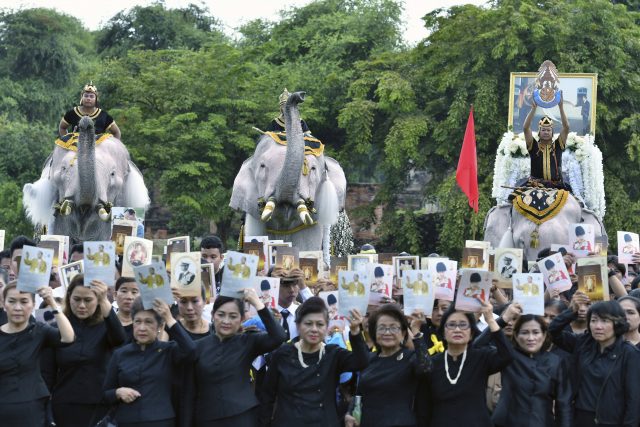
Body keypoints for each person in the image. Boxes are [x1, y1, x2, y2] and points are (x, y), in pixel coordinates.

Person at [260, 297, 370, 426]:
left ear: (327, 327)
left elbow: (361, 361)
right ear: (298, 325)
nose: (314, 329)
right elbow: (267, 397)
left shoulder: (333, 353)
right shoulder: (282, 354)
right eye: (308, 323)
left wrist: (356, 331)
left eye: (320, 324)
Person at [193, 288, 286, 426]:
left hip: (242, 416)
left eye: (233, 316)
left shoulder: (248, 342)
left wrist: (256, 302)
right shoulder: (198, 346)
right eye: (221, 314)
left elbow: (278, 336)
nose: (226, 321)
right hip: (207, 417)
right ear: (212, 315)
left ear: (242, 319)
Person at [47, 275, 127, 427]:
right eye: (77, 299)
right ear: (69, 298)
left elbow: (120, 339)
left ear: (97, 301)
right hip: (64, 406)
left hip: (99, 405)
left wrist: (104, 299)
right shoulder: (58, 329)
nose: (82, 305)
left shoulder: (107, 327)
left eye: (88, 300)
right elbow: (48, 374)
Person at [103, 297, 196, 427]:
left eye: (148, 322)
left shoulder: (169, 350)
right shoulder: (120, 354)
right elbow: (106, 393)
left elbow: (191, 351)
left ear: (160, 326)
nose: (142, 328)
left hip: (161, 421)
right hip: (126, 421)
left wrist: (169, 318)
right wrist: (118, 392)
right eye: (137, 321)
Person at [549, 294, 640, 426]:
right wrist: (571, 311)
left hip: (610, 421)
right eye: (593, 320)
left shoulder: (629, 353)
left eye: (605, 321)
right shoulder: (582, 343)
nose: (598, 326)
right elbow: (551, 331)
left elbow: (634, 400)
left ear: (617, 323)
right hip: (578, 419)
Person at [426, 300, 513, 427]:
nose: (457, 329)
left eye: (463, 325)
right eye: (451, 325)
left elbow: (507, 356)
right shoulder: (433, 362)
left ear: (471, 333)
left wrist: (491, 320)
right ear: (443, 333)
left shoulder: (481, 357)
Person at [0, 283, 74, 427]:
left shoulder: (40, 331)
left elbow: (68, 338)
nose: (17, 308)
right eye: (12, 301)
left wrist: (51, 302)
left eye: (24, 301)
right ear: (4, 304)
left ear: (33, 304)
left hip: (32, 407)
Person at [345, 304, 431, 427]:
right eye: (382, 328)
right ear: (374, 332)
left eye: (393, 328)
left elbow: (426, 368)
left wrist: (416, 331)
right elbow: (360, 393)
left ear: (403, 333)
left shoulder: (410, 358)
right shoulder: (369, 358)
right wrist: (349, 413)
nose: (387, 332)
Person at [479, 314, 571, 427]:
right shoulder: (508, 357)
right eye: (524, 332)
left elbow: (564, 404)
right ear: (516, 336)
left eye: (536, 332)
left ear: (544, 335)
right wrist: (502, 320)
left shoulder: (555, 362)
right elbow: (476, 347)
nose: (530, 338)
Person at [522, 93, 570, 189]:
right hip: (535, 186)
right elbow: (526, 128)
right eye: (543, 130)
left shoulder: (558, 145)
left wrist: (561, 107)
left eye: (548, 130)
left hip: (556, 186)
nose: (546, 132)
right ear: (539, 132)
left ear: (552, 132)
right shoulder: (534, 145)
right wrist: (533, 109)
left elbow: (566, 127)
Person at [114, 277, 139, 342]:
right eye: (124, 291)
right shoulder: (107, 322)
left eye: (134, 292)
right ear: (115, 295)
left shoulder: (143, 326)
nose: (129, 297)